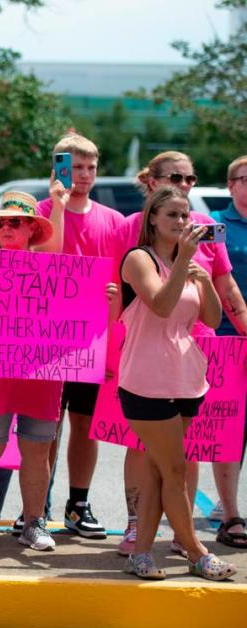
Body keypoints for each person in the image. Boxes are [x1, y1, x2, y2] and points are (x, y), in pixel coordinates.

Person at [117, 150, 247, 556]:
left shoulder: (189, 264)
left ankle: (143, 552)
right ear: (152, 218)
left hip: (186, 378)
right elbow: (159, 305)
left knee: (166, 470)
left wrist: (204, 281)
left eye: (186, 216)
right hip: (147, 378)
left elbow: (209, 315)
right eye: (172, 215)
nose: (182, 223)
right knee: (171, 467)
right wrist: (184, 263)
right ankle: (195, 550)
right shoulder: (139, 258)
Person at [0, 190, 67, 552]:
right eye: (0, 222)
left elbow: (76, 317)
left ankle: (34, 523)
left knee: (37, 450)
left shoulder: (55, 271)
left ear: (32, 228)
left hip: (42, 375)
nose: (6, 227)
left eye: (14, 221)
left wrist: (106, 301)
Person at [37, 133, 125, 539]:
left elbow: (126, 278)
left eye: (90, 167)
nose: (84, 175)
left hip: (95, 340)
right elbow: (42, 263)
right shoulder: (40, 212)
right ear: (58, 168)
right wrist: (56, 206)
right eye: (75, 167)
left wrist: (113, 298)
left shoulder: (114, 221)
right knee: (45, 428)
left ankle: (78, 503)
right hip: (46, 340)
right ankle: (37, 507)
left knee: (86, 426)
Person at [208, 154, 247, 549]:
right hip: (226, 340)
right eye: (245, 179)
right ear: (231, 185)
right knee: (227, 430)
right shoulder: (214, 226)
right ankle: (230, 510)